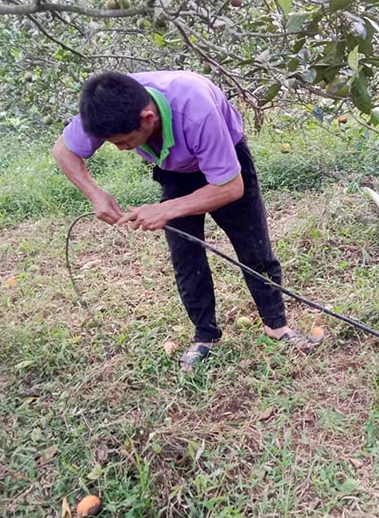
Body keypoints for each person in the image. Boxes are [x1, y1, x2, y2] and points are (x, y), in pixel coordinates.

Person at [52, 70, 316, 371]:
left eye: (125, 142)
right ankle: (206, 336)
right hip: (175, 170)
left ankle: (277, 326)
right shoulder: (106, 107)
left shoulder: (197, 111)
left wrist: (165, 210)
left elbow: (230, 187)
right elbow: (63, 150)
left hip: (225, 163)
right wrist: (95, 194)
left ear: (148, 118)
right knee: (185, 255)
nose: (123, 149)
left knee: (253, 247)